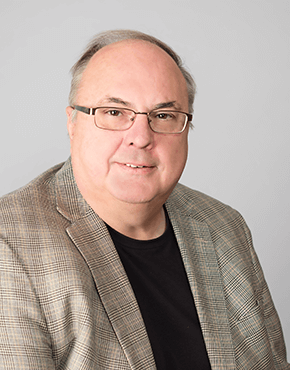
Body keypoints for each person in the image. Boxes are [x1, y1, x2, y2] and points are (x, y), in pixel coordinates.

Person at [0, 29, 288, 370]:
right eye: (113, 112)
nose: (140, 137)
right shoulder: (10, 245)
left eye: (163, 116)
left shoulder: (224, 226)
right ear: (72, 122)